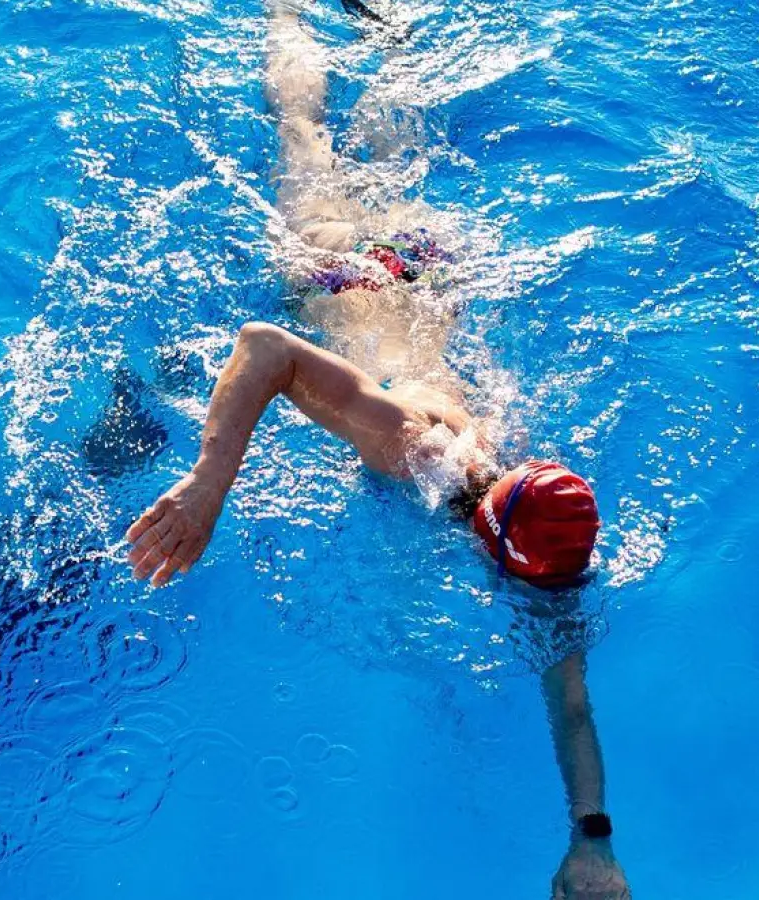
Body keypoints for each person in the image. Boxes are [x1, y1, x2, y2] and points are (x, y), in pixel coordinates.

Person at [125, 4, 632, 897]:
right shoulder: (416, 449)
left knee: (389, 135)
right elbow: (265, 348)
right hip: (341, 270)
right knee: (305, 134)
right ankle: (285, 9)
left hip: (427, 270)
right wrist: (209, 484)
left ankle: (389, 33)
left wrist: (594, 840)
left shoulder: (513, 491)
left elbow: (576, 702)